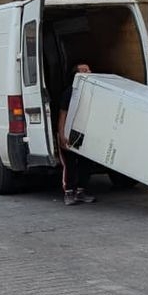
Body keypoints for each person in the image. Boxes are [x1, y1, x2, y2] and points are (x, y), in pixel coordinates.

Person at [57, 63, 97, 206]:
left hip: (84, 132)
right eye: (84, 70)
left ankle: (80, 192)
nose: (89, 72)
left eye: (89, 69)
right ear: (77, 76)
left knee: (85, 163)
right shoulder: (70, 92)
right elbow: (63, 115)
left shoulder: (92, 92)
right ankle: (69, 192)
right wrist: (62, 135)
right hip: (70, 132)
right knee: (70, 164)